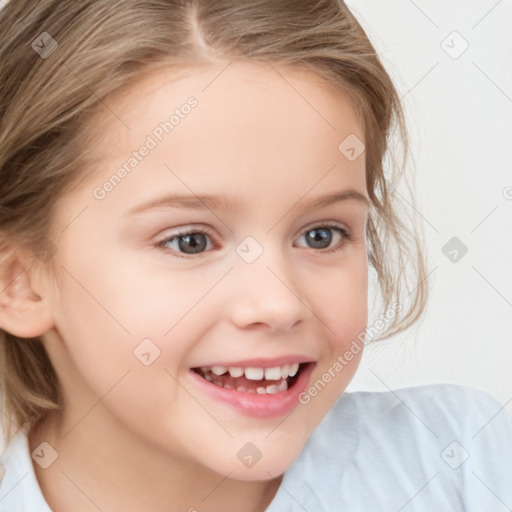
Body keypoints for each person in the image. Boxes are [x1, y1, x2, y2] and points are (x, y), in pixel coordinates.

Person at [0, 1, 510, 511]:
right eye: (190, 241)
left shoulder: (464, 464)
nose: (278, 303)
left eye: (321, 235)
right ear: (19, 282)